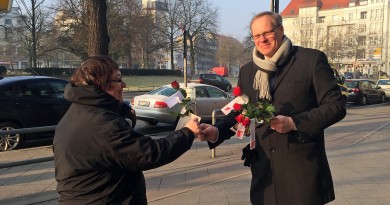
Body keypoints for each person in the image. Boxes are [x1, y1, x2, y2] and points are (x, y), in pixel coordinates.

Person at [198, 12, 346, 205]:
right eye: (257, 36)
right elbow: (239, 110)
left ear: (281, 30)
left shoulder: (310, 60)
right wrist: (217, 130)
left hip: (302, 174)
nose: (262, 39)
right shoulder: (248, 71)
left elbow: (336, 105)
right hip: (264, 175)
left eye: (267, 32)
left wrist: (295, 123)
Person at [53, 56, 200, 204]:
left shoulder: (78, 111)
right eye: (118, 79)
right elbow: (150, 153)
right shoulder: (103, 123)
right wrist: (188, 132)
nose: (123, 84)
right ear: (101, 84)